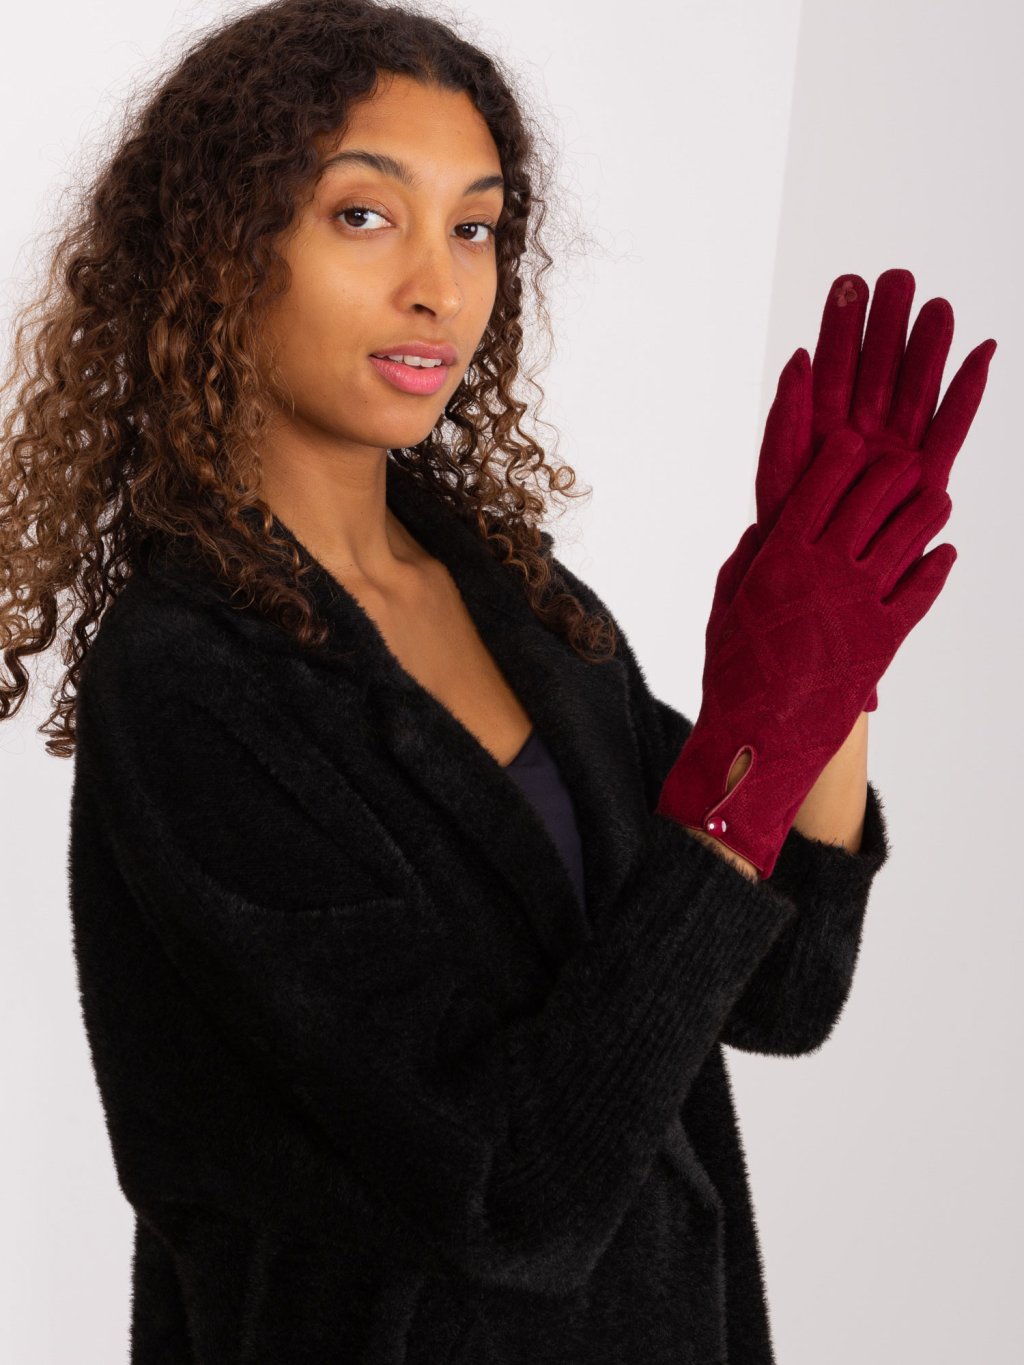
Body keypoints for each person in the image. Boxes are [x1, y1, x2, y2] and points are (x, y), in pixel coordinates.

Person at [0, 0, 996, 1361]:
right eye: (365, 215)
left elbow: (780, 987)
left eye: (474, 226)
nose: (441, 286)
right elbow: (512, 1188)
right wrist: (754, 741)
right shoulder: (189, 682)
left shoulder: (515, 599)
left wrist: (833, 657)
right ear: (221, 251)